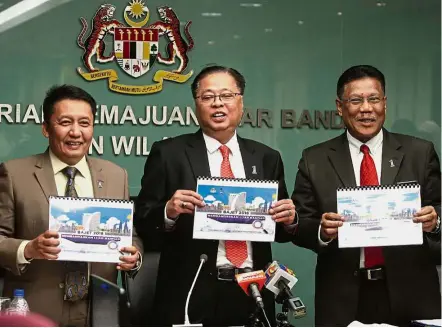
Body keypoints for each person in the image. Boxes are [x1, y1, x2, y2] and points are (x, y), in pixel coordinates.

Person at [134, 65, 297, 326]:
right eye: (208, 97)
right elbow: (142, 221)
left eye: (226, 95)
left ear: (241, 102)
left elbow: (277, 230)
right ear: (196, 105)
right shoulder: (169, 154)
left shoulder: (267, 157)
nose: (217, 104)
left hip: (251, 289)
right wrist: (169, 211)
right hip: (191, 288)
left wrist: (289, 219)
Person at [292, 65, 441, 326]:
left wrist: (435, 222)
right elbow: (299, 223)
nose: (366, 108)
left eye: (373, 99)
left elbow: (439, 210)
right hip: (342, 297)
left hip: (411, 293)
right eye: (355, 100)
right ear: (340, 106)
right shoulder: (314, 159)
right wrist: (322, 231)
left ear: (384, 103)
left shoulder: (420, 152)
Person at [0, 85, 143, 326]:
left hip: (99, 310)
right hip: (36, 309)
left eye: (85, 123)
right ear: (46, 128)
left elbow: (132, 236)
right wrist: (28, 249)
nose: (75, 132)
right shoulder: (14, 173)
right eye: (65, 122)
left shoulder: (117, 175)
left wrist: (134, 256)